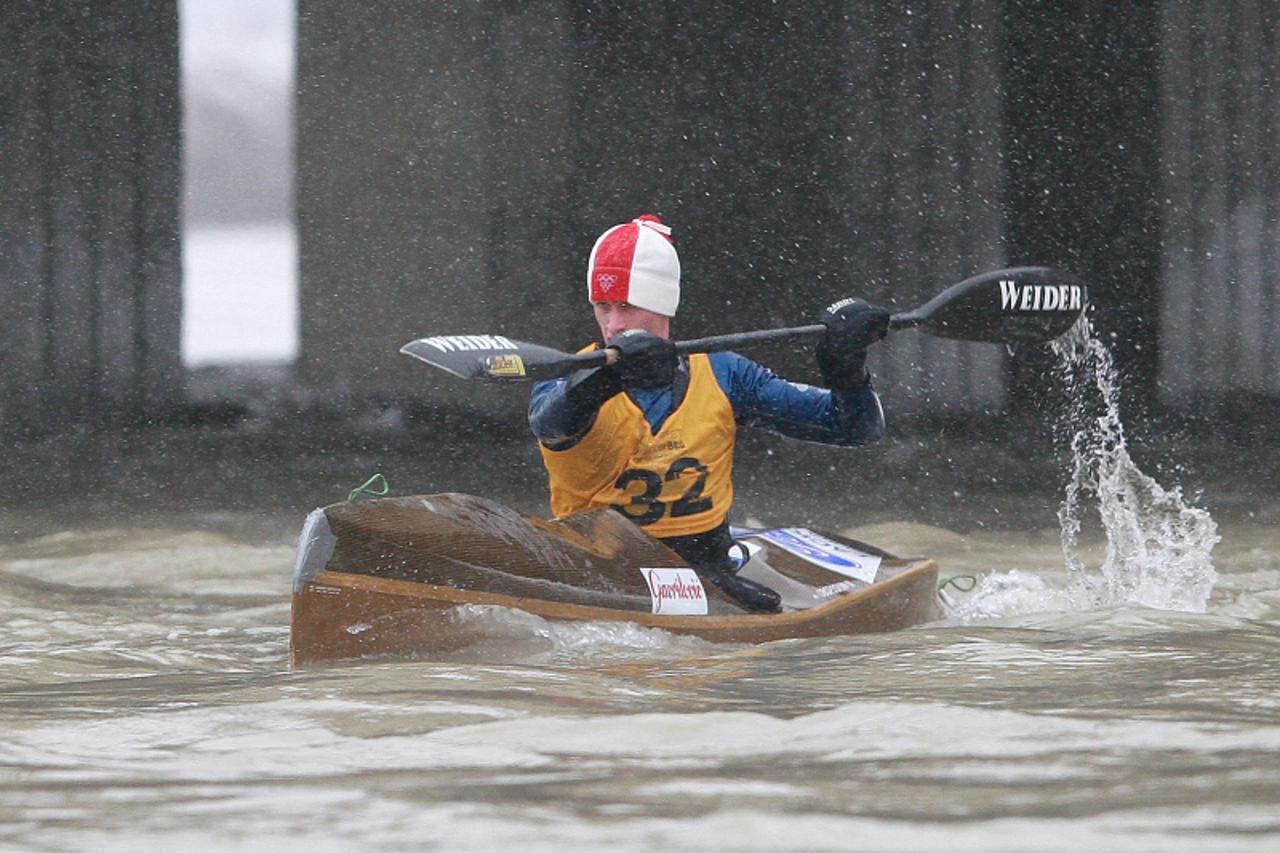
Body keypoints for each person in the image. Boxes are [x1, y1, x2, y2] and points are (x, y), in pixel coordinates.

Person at [528, 214, 889, 612]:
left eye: (627, 307)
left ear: (661, 306)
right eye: (603, 307)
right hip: (598, 570)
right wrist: (606, 379)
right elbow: (551, 425)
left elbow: (854, 428)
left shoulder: (724, 374)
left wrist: (846, 367)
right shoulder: (568, 375)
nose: (612, 326)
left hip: (706, 563)